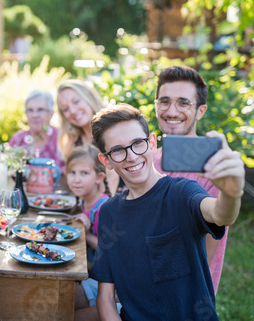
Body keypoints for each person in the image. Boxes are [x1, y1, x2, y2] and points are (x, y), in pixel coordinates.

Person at [90, 104, 244, 320]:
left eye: (137, 143)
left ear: (151, 143)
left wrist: (231, 193)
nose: (132, 156)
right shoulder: (109, 212)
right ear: (105, 160)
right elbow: (105, 297)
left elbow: (221, 214)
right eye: (117, 150)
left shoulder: (182, 192)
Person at [152, 65, 227, 294]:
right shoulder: (148, 159)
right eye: (164, 101)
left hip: (183, 295)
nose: (171, 111)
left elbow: (207, 251)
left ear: (201, 111)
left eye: (183, 103)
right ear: (156, 106)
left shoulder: (211, 166)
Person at [67, 145, 110, 321]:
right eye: (72, 172)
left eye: (84, 173)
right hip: (84, 272)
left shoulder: (104, 208)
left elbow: (109, 250)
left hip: (102, 283)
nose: (76, 179)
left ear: (99, 177)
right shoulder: (84, 202)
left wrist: (84, 233)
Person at [57, 80, 120, 194]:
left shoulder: (110, 132)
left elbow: (112, 178)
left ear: (89, 97)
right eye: (65, 109)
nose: (72, 111)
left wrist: (99, 210)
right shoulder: (74, 142)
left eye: (76, 101)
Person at [9, 89, 63, 168]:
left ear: (51, 114)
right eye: (30, 110)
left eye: (40, 110)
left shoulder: (62, 138)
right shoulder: (18, 139)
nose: (35, 115)